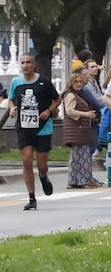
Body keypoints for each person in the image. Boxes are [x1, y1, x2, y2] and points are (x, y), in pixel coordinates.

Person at [8, 53, 59, 210]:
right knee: (27, 160)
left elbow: (58, 99)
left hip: (43, 127)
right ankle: (32, 198)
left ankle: (43, 176)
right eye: (22, 63)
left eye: (28, 62)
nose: (26, 65)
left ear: (34, 64)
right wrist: (11, 108)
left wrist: (48, 111)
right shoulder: (16, 82)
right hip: (24, 127)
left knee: (42, 164)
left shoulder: (44, 81)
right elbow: (11, 99)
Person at [61, 66, 98, 188]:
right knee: (78, 157)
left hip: (80, 131)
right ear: (71, 83)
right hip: (76, 130)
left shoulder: (78, 95)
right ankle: (77, 181)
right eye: (76, 82)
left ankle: (79, 181)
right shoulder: (70, 95)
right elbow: (70, 111)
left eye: (80, 82)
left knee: (81, 156)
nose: (78, 84)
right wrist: (85, 114)